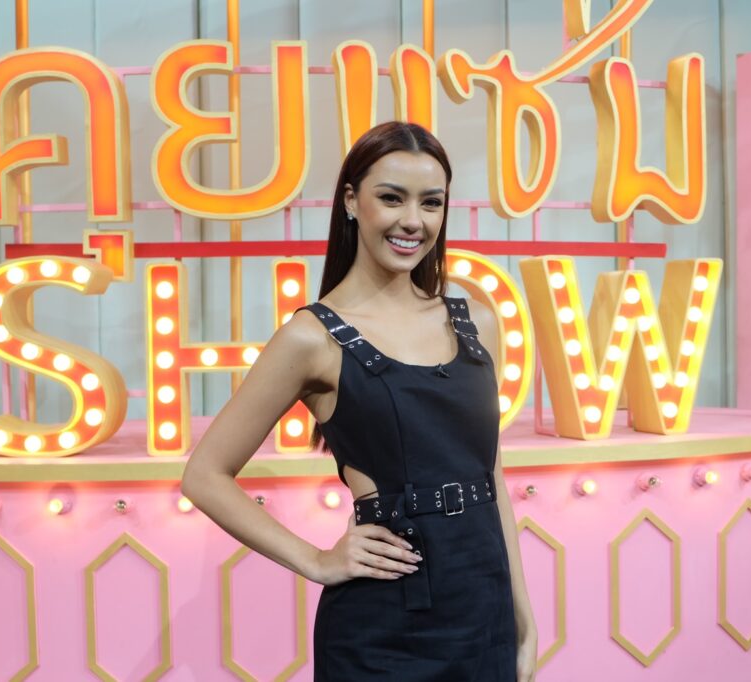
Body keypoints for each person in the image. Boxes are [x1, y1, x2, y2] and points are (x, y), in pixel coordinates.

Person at [181, 121, 538, 680]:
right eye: (392, 198)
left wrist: (522, 615)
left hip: (483, 611)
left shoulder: (477, 322)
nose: (413, 220)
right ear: (351, 201)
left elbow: (489, 474)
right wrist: (317, 560)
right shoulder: (311, 338)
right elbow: (204, 476)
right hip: (382, 629)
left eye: (431, 202)